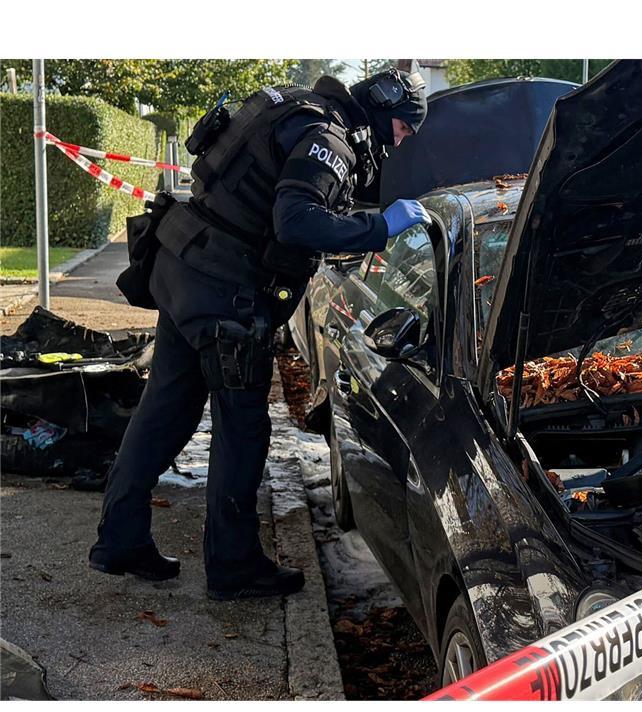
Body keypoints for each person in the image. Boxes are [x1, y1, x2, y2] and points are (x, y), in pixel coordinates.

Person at [88, 70, 430, 600]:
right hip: (228, 294)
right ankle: (233, 567)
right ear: (384, 112)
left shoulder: (291, 105)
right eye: (405, 128)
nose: (402, 140)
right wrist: (380, 228)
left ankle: (119, 539)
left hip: (183, 267)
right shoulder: (330, 139)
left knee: (163, 410)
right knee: (243, 429)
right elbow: (295, 221)